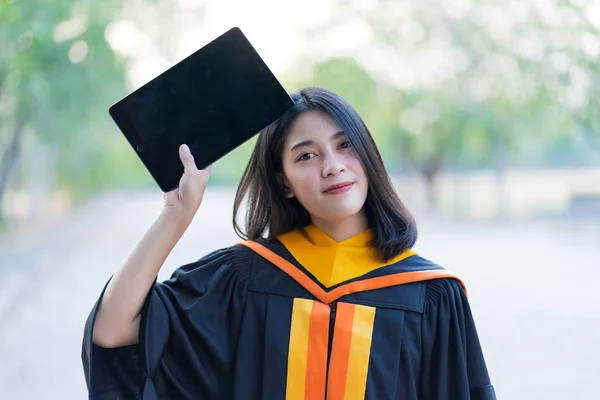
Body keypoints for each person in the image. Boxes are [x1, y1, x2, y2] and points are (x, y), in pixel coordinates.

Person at [82, 86, 496, 399]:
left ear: (368, 156)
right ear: (284, 184)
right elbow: (113, 330)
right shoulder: (244, 279)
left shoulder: (430, 294)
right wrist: (176, 215)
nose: (332, 166)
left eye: (344, 145)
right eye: (306, 156)